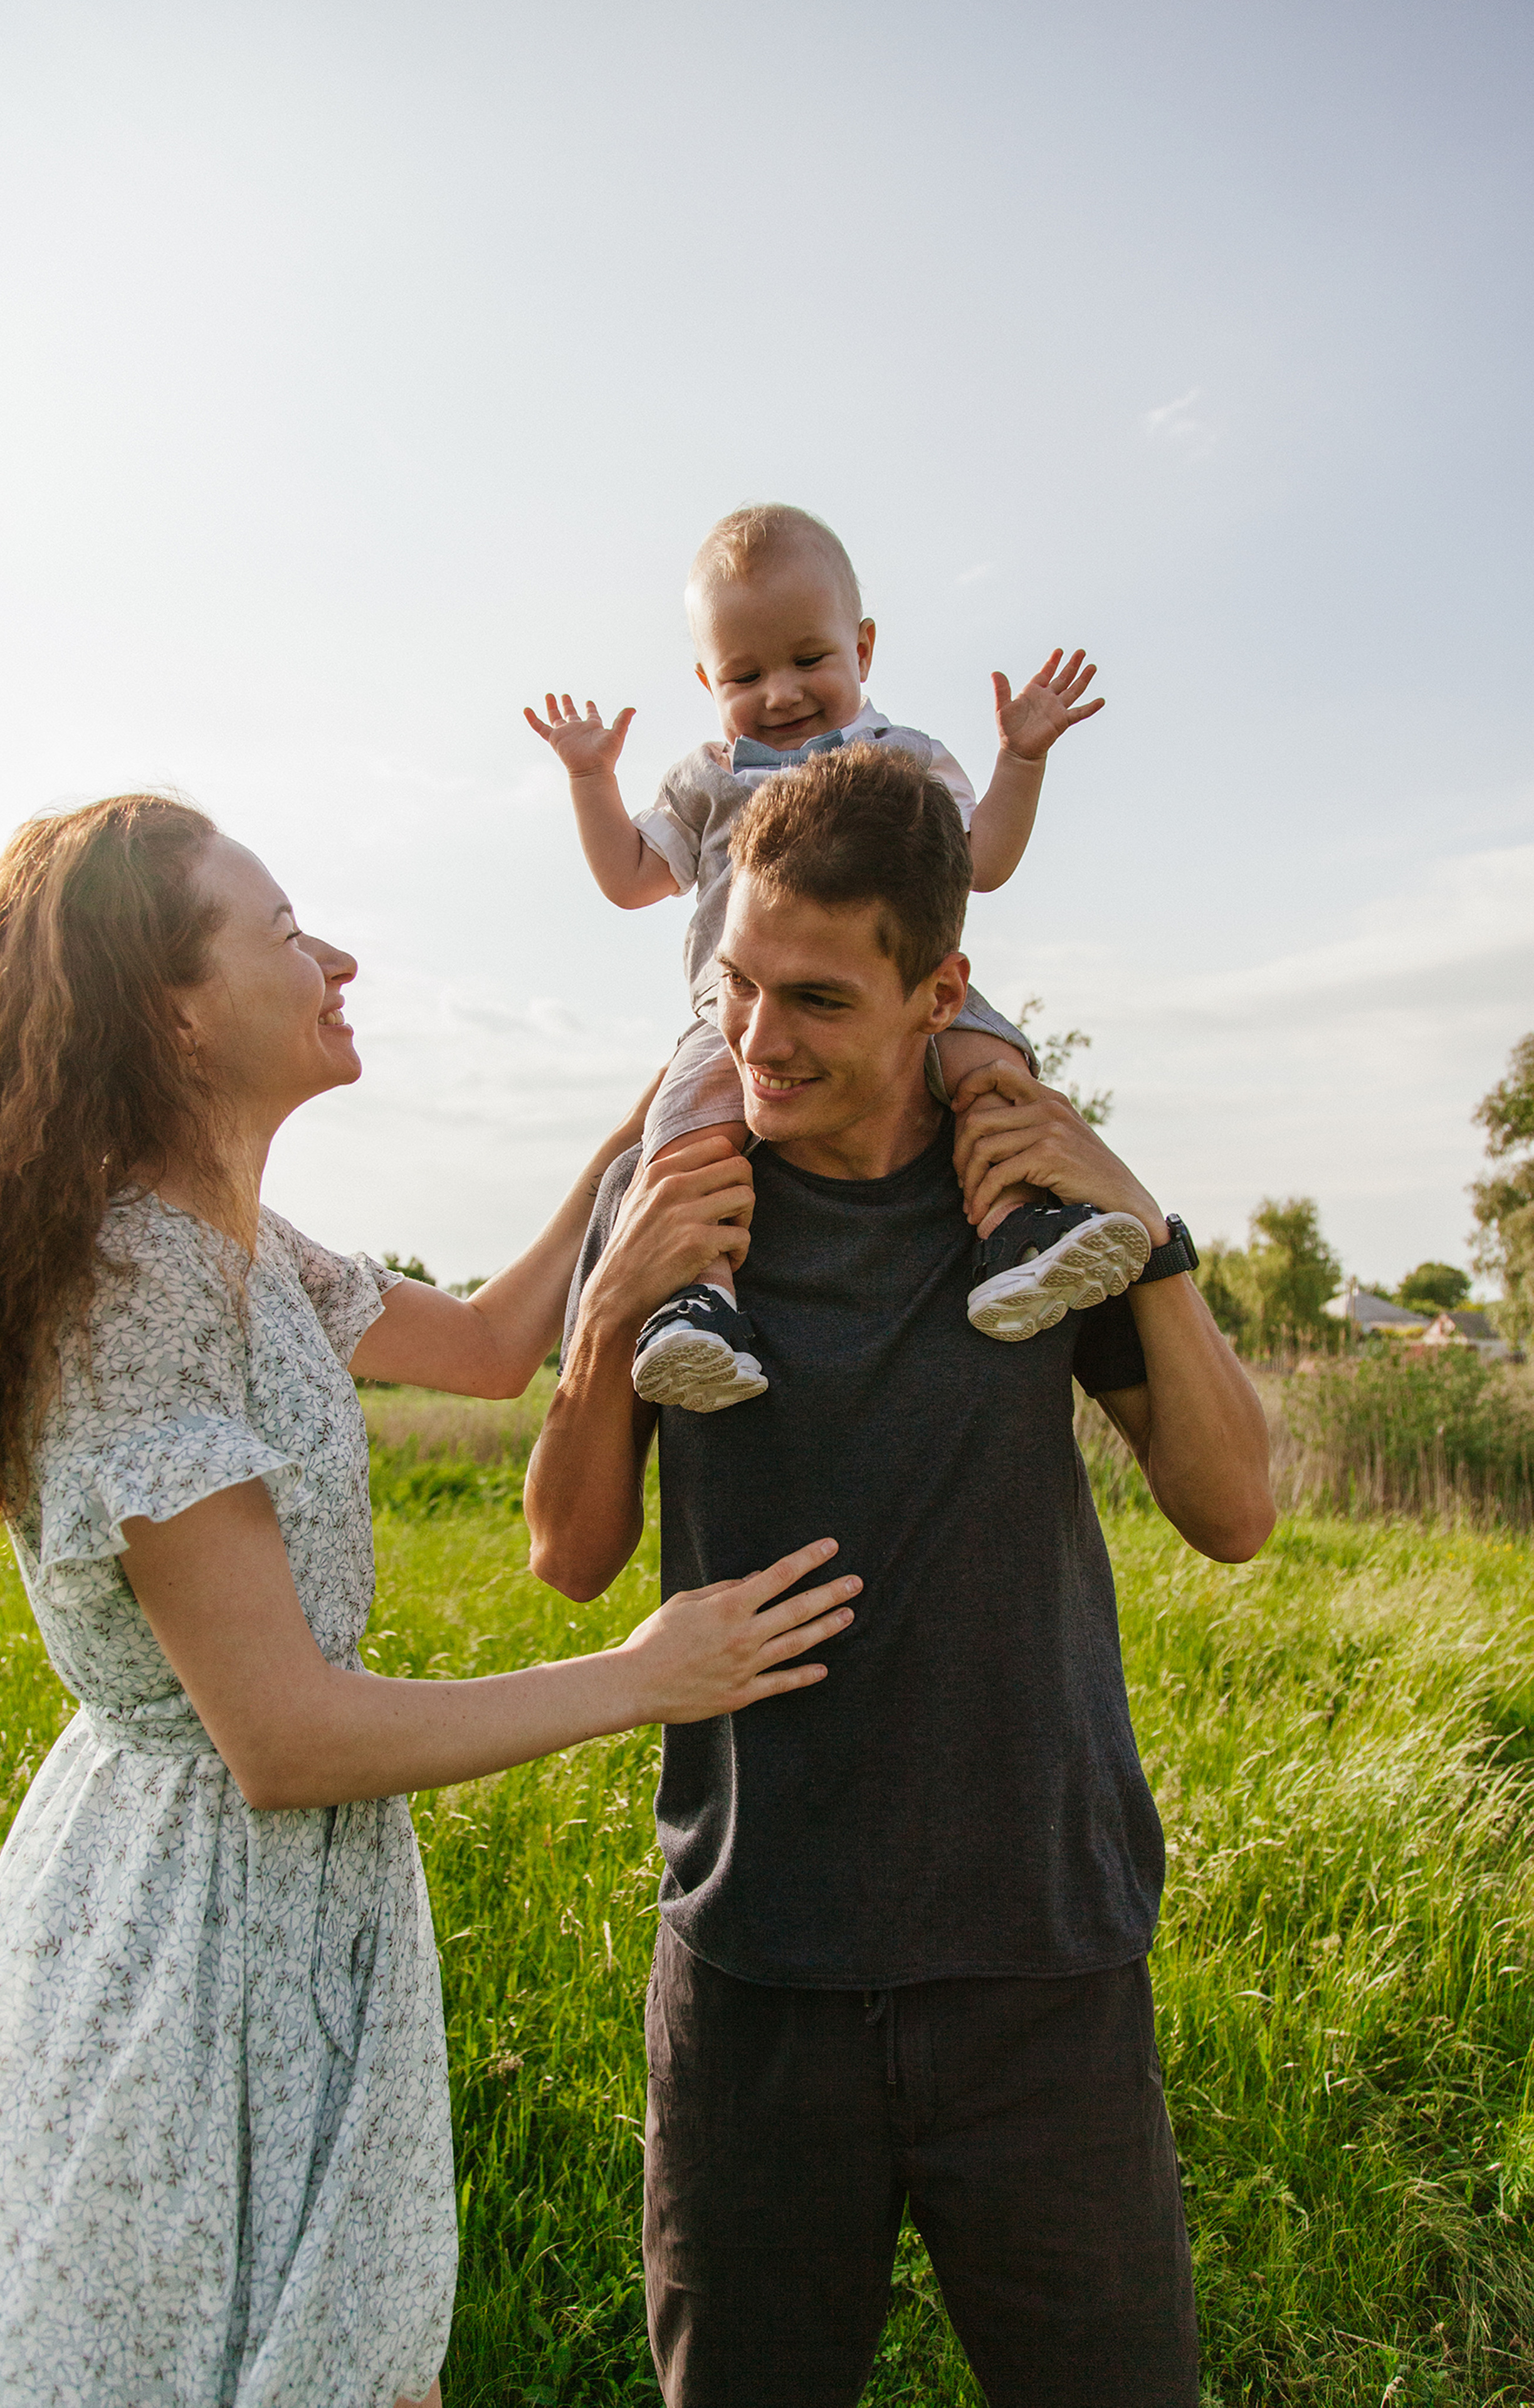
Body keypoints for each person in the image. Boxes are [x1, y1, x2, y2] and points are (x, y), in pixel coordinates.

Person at [0, 793, 859, 2408]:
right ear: (175, 1012)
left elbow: (498, 1349)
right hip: (195, 1937)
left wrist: (668, 1097)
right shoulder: (141, 1290)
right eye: (286, 934)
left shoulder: (231, 1245)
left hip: (291, 1913)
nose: (336, 957)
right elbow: (280, 1736)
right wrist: (643, 1673)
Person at [523, 747, 1276, 2408]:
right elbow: (571, 1560)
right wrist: (604, 1315)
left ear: (942, 989)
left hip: (1043, 1962)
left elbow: (1233, 1511)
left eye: (815, 1000)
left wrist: (1146, 1231)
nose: (758, 1043)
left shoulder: (1032, 1203)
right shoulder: (682, 1199)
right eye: (735, 988)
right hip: (754, 1976)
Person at [527, 500, 1150, 1413]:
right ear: (707, 679)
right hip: (731, 1016)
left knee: (996, 1068)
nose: (780, 692)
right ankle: (700, 1304)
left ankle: (1021, 1232)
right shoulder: (707, 777)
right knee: (689, 1135)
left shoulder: (904, 756)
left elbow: (983, 863)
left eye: (809, 660)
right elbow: (630, 879)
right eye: (745, 673)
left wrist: (1022, 759)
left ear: (862, 648)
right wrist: (591, 781)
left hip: (900, 994)